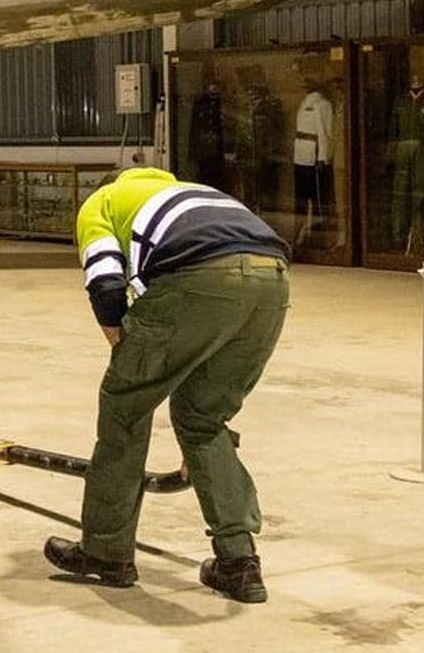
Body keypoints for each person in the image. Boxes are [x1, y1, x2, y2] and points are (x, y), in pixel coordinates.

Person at [44, 167, 290, 603]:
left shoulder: (102, 203)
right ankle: (239, 561)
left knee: (125, 406)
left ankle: (106, 552)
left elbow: (105, 285)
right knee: (202, 418)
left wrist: (128, 361)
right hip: (273, 278)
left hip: (197, 274)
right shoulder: (192, 191)